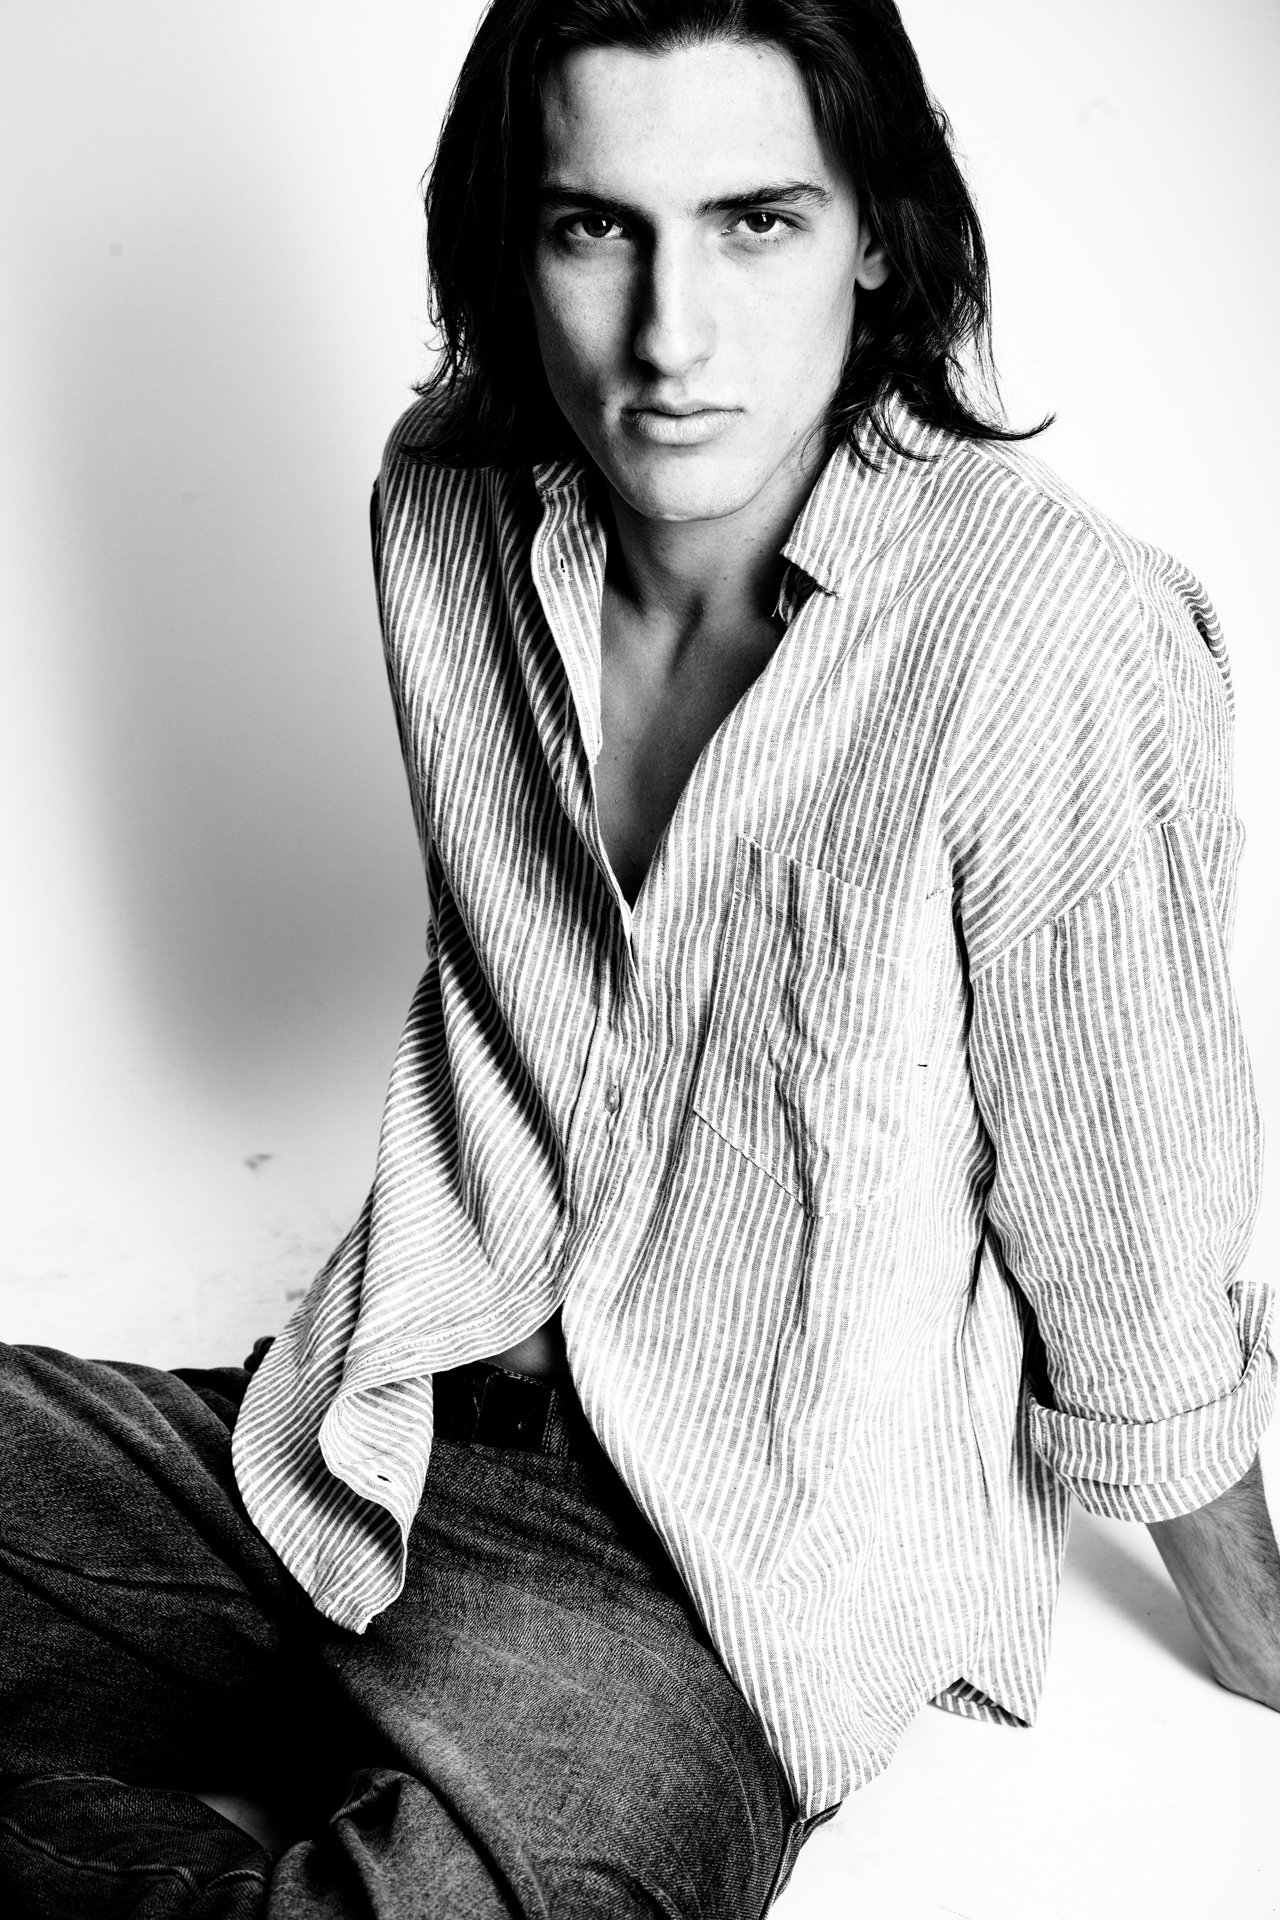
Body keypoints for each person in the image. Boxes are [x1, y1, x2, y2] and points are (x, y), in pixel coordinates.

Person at [2, 0, 1277, 1914]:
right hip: (365, 1431)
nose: (671, 337)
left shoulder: (1048, 642)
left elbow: (1133, 1238)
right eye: (595, 226)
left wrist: (1256, 1623)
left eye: (756, 221)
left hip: (700, 1595)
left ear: (878, 234)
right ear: (511, 245)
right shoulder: (443, 510)